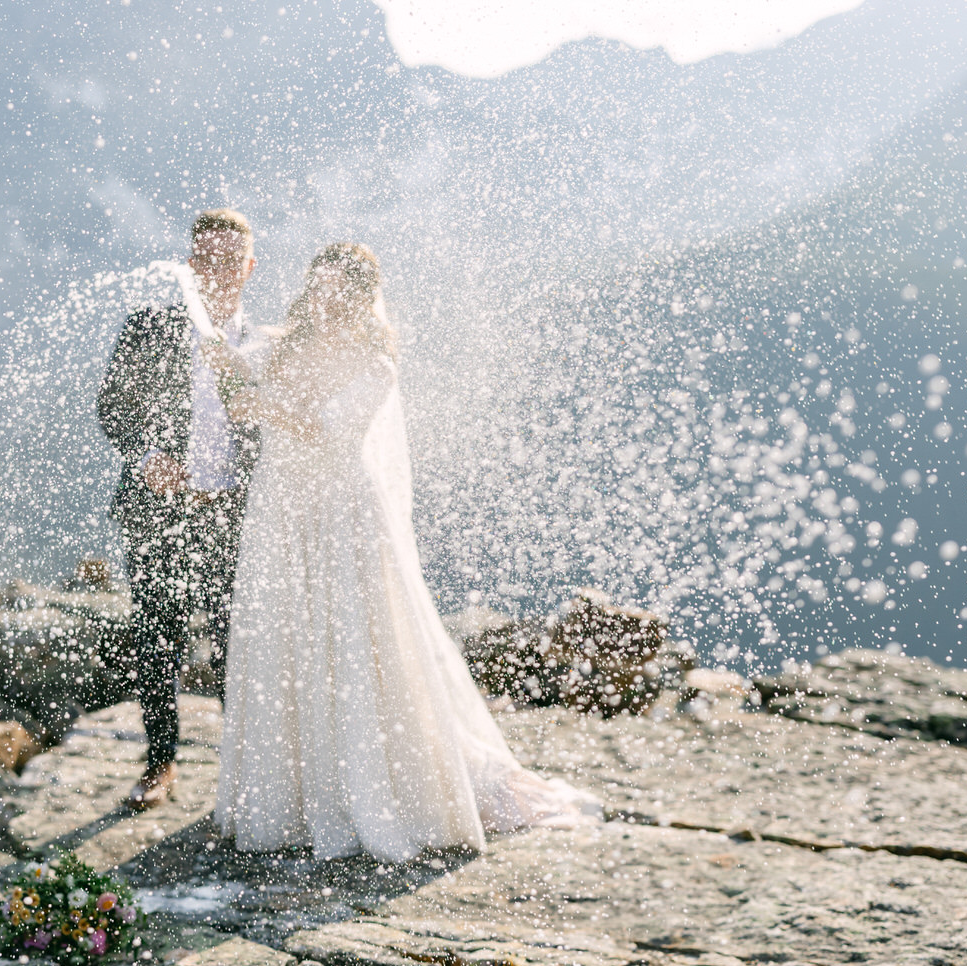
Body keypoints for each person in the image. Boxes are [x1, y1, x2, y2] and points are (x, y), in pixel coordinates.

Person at [206, 243, 601, 862]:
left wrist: (262, 403)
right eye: (319, 291)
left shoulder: (375, 365)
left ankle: (367, 793)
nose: (326, 304)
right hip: (280, 510)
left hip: (342, 518)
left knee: (354, 646)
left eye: (340, 294)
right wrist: (228, 370)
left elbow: (330, 431)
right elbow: (235, 392)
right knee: (288, 642)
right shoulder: (280, 344)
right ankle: (294, 797)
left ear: (362, 300)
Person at [96, 208, 267, 810]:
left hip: (234, 514)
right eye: (205, 260)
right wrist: (147, 455)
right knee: (156, 638)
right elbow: (112, 406)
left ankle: (244, 772)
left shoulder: (265, 345)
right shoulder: (149, 325)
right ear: (190, 267)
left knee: (233, 641)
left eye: (229, 260)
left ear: (248, 268)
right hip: (157, 508)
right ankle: (160, 765)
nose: (216, 271)